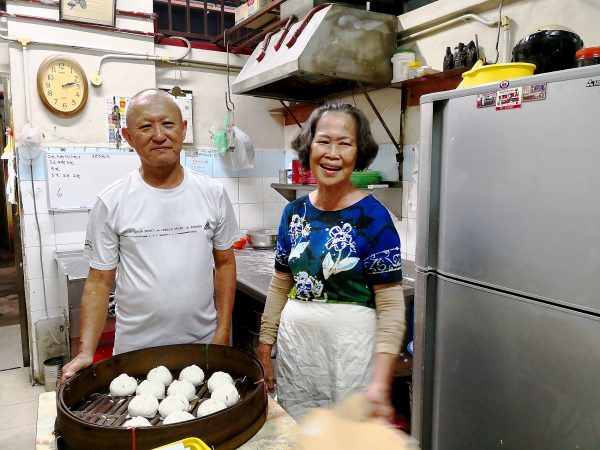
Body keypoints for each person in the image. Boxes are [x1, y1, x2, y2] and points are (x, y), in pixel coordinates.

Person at [60, 89, 239, 383]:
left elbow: (225, 263)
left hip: (203, 345)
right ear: (128, 137)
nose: (159, 135)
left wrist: (222, 331)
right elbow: (99, 280)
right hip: (135, 352)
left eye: (168, 124)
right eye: (145, 127)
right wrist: (86, 351)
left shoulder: (213, 194)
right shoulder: (111, 201)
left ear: (182, 129)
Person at [257, 103, 406, 421]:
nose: (333, 153)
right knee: (300, 434)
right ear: (308, 147)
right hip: (298, 353)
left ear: (359, 152)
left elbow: (391, 307)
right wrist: (264, 343)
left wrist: (380, 382)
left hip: (350, 357)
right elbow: (281, 282)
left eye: (345, 143)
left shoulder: (373, 217)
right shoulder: (294, 212)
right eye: (324, 141)